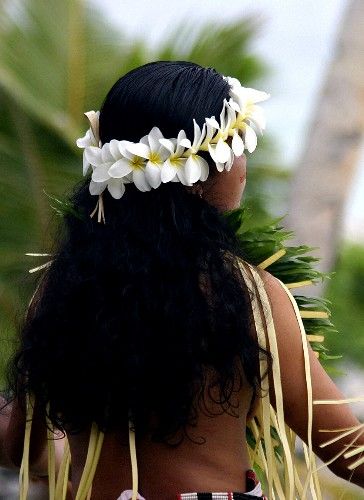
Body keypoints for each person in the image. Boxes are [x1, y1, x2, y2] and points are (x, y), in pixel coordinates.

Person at [1, 60, 364, 500]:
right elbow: (347, 449)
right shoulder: (250, 298)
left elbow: (20, 446)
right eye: (238, 146)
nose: (243, 166)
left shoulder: (60, 292)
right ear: (200, 174)